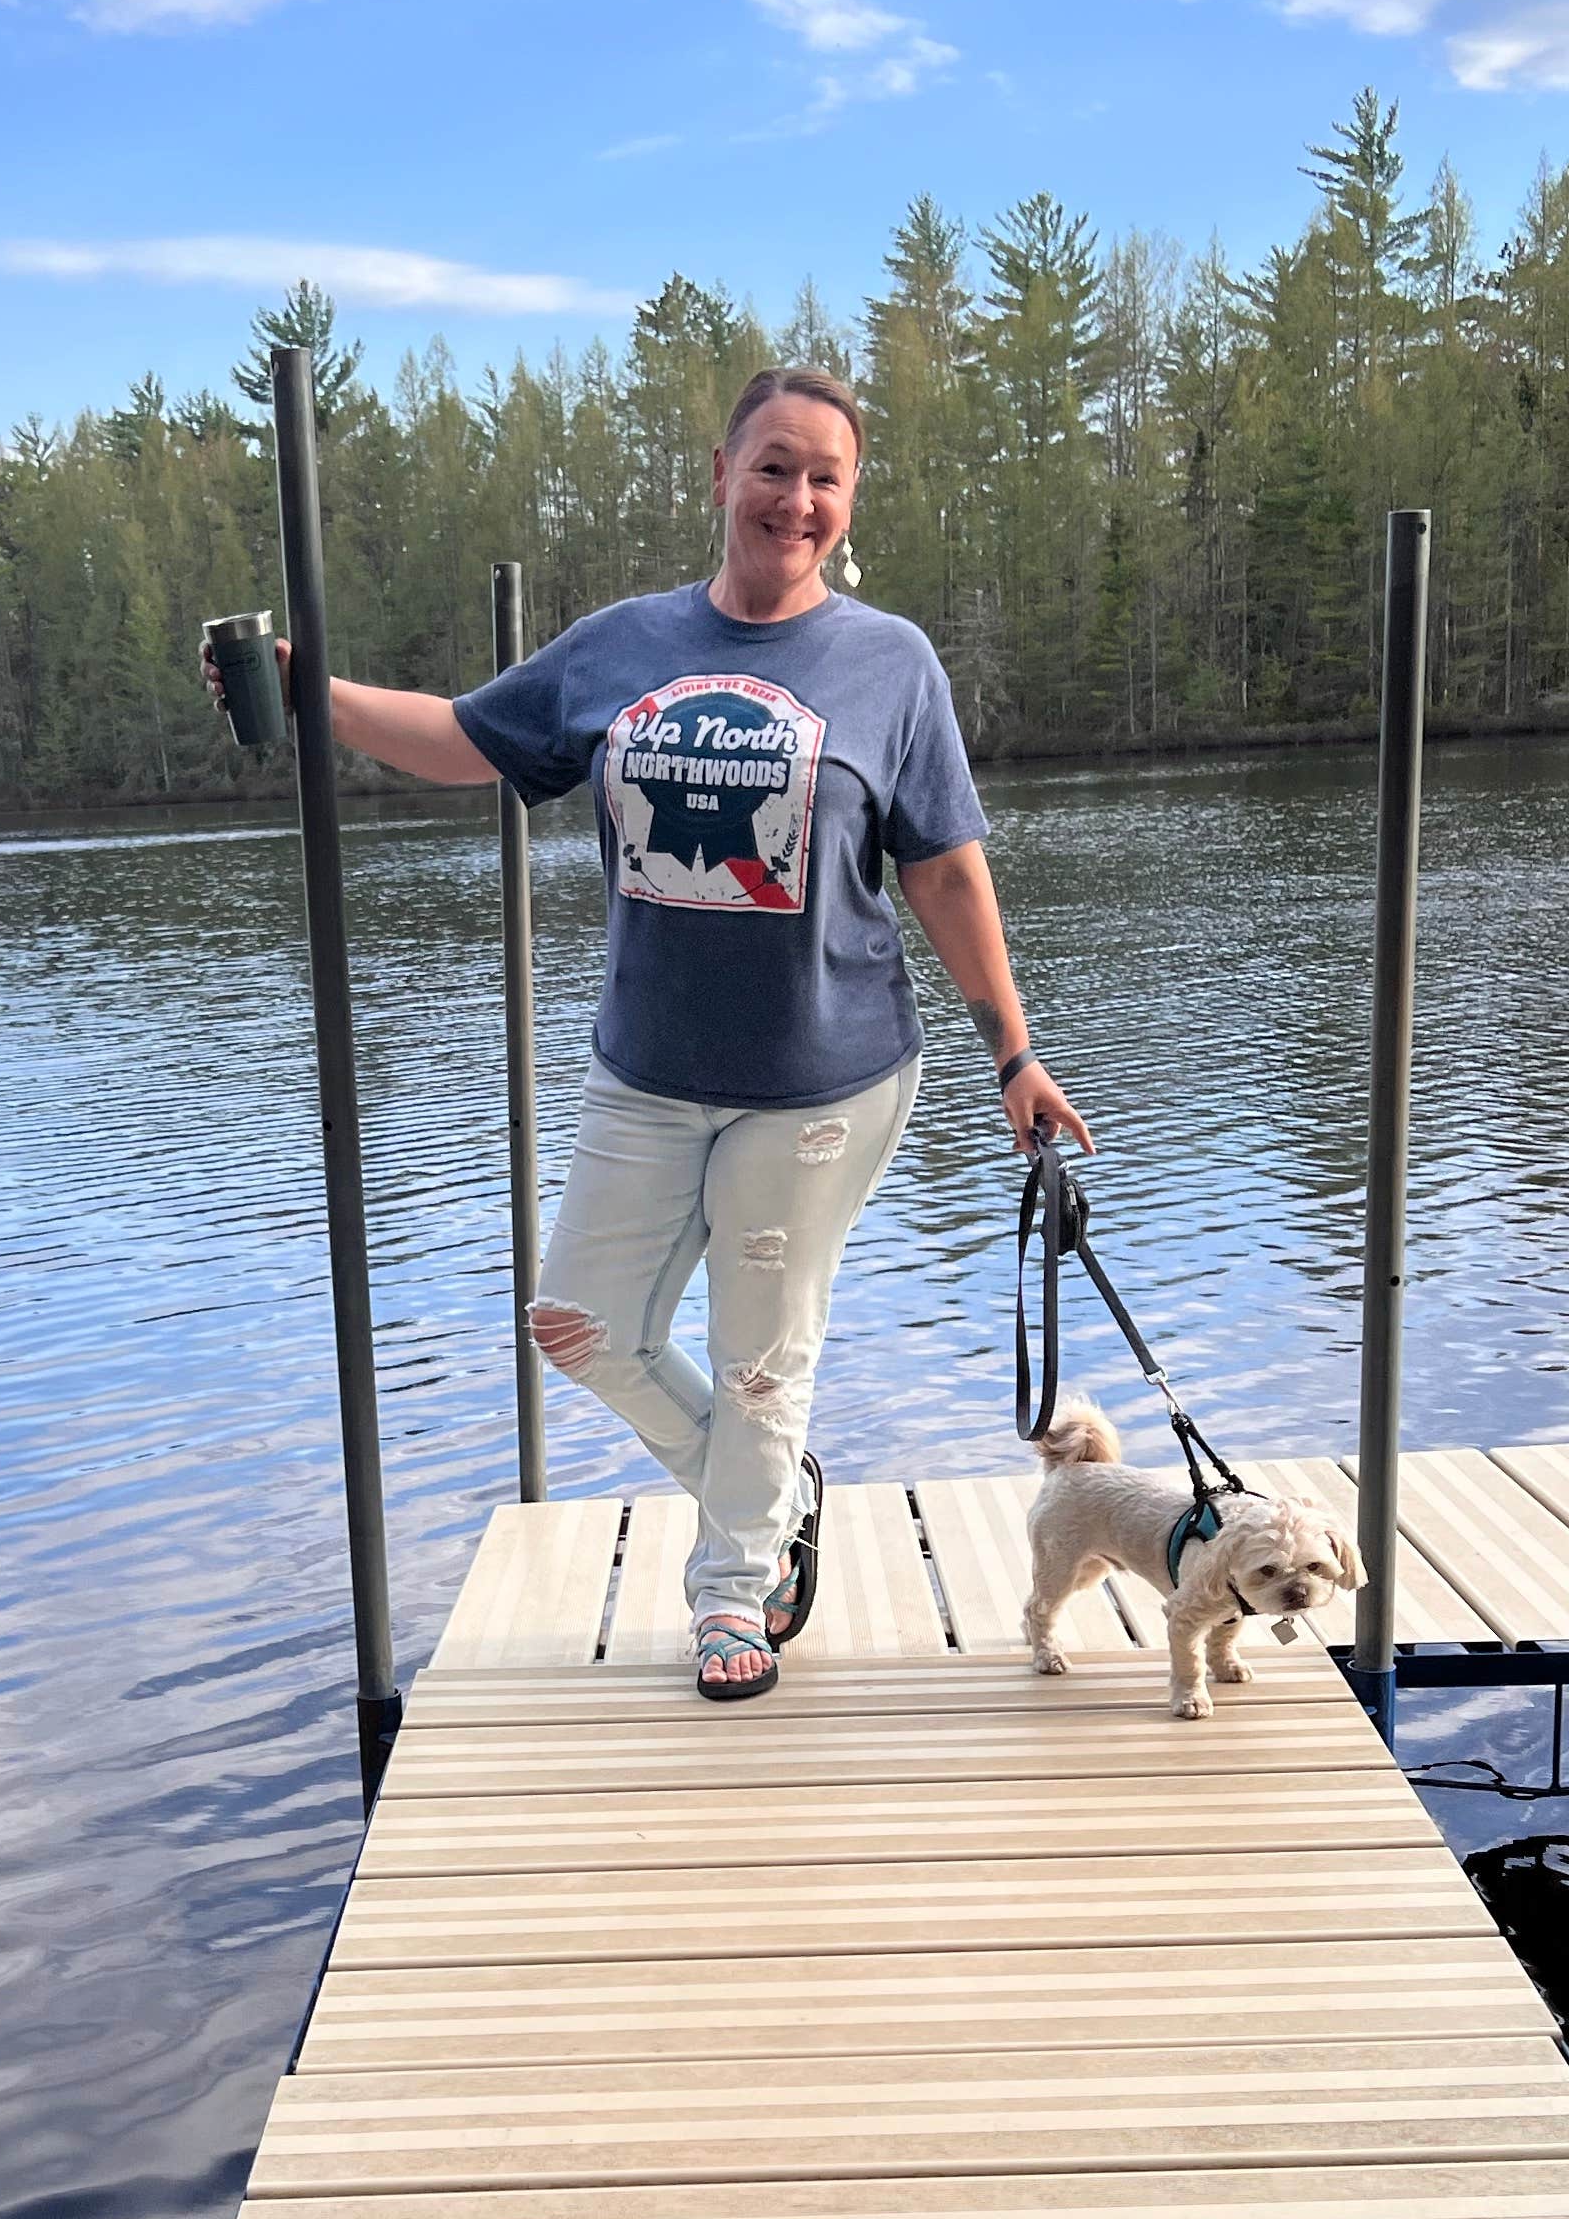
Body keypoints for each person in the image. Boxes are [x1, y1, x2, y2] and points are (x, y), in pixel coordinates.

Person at [239, 365, 1090, 1702]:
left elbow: (946, 870)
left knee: (763, 1353)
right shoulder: (620, 645)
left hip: (826, 1076)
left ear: (848, 502)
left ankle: (731, 1597)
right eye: (773, 466)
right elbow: (470, 738)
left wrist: (1016, 1052)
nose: (795, 498)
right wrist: (315, 694)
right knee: (580, 1324)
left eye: (825, 477)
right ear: (719, 473)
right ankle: (774, 1492)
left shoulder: (890, 665)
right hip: (645, 1072)